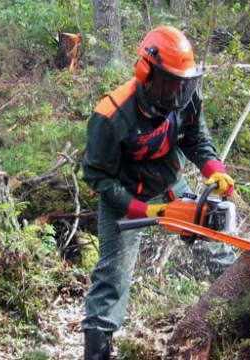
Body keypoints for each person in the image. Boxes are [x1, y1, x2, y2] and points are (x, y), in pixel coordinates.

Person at [81, 25, 236, 360]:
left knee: (216, 243)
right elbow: (97, 178)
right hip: (123, 195)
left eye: (185, 83)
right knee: (113, 277)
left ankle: (242, 314)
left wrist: (214, 169)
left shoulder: (186, 97)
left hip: (169, 185)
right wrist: (140, 209)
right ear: (146, 73)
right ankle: (97, 352)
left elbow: (198, 140)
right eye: (171, 83)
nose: (178, 93)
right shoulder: (111, 116)